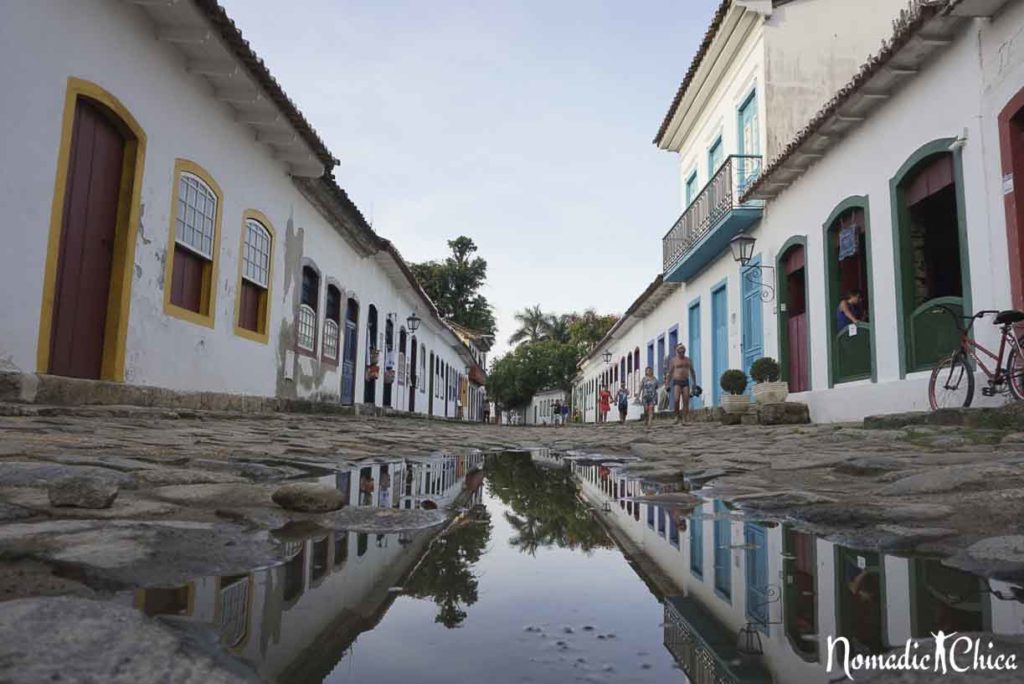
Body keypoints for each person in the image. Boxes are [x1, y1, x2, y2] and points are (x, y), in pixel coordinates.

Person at [666, 344, 696, 424]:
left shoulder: (688, 360)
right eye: (680, 352)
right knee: (676, 399)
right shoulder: (673, 360)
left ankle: (684, 418)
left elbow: (692, 371)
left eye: (683, 352)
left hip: (685, 381)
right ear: (677, 352)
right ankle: (676, 416)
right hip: (677, 381)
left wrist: (694, 383)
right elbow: (670, 372)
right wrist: (667, 384)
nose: (681, 353)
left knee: (686, 400)